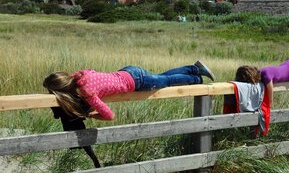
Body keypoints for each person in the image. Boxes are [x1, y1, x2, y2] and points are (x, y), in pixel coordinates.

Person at [43, 60, 215, 121]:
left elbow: (110, 116)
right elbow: (95, 74)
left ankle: (196, 75)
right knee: (162, 78)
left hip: (136, 81)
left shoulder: (87, 93)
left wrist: (91, 115)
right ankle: (194, 71)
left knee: (167, 81)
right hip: (128, 71)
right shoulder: (80, 75)